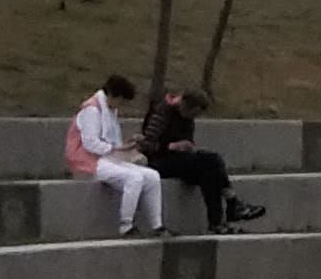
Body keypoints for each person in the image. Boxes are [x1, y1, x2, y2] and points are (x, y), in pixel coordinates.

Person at [140, 83, 265, 235]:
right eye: (194, 114)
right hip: (158, 161)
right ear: (185, 106)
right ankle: (233, 203)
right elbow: (146, 145)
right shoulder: (162, 113)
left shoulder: (187, 118)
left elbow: (187, 139)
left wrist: (187, 146)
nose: (193, 119)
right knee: (211, 160)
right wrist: (172, 146)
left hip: (179, 160)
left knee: (210, 172)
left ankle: (217, 222)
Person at [66, 74, 161, 235]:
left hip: (107, 158)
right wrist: (117, 148)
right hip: (89, 161)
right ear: (112, 95)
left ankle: (157, 225)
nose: (121, 105)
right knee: (134, 178)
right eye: (121, 100)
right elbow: (90, 143)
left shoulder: (109, 109)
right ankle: (126, 225)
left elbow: (111, 141)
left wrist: (126, 144)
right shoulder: (92, 110)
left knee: (152, 176)